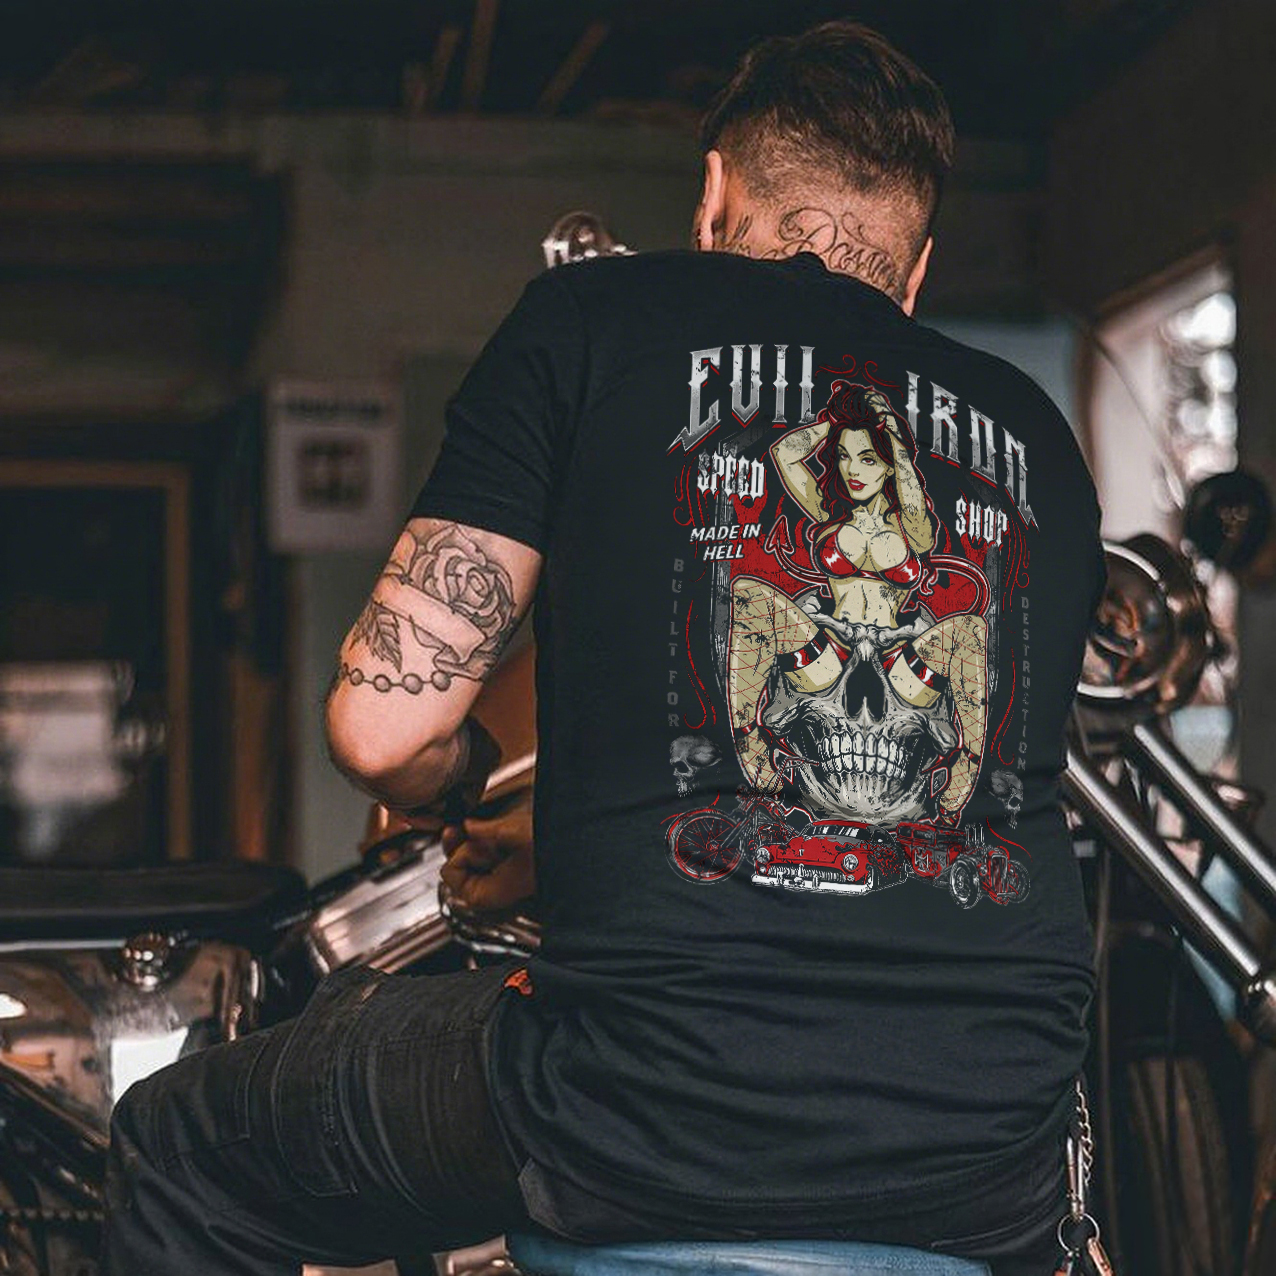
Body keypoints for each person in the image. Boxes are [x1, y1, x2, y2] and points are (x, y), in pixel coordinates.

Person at [104, 20, 1107, 1276]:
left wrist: (464, 774)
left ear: (711, 197)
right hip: (988, 1153)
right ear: (914, 273)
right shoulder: (1032, 431)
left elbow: (381, 726)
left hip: (649, 1110)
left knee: (180, 1144)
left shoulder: (588, 322)